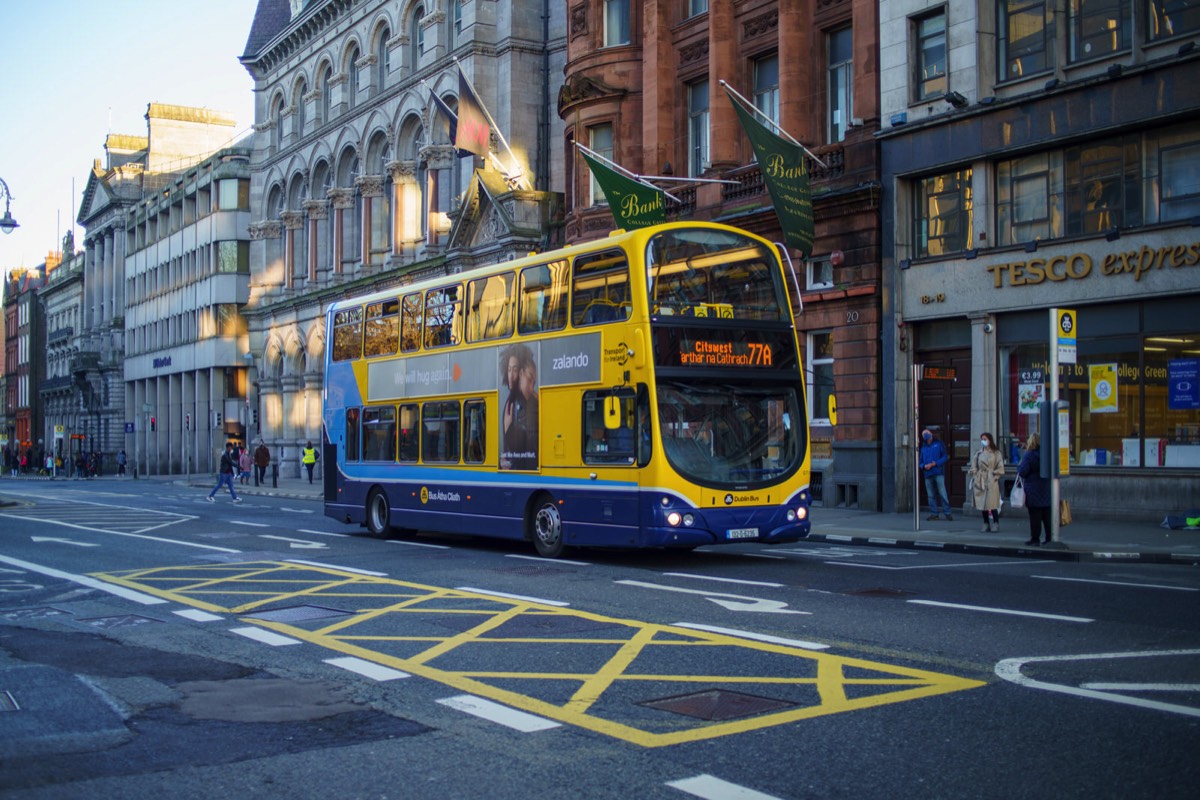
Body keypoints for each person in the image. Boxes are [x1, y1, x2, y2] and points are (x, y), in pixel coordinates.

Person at [1017, 432, 1052, 545]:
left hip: (1033, 488)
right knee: (1047, 516)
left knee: (1035, 516)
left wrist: (1019, 466)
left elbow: (1023, 471)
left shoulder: (1029, 455)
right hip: (1046, 487)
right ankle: (1049, 538)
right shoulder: (1046, 454)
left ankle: (1035, 538)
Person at [970, 432, 1005, 532]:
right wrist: (975, 475)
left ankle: (996, 523)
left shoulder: (996, 453)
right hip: (980, 479)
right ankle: (986, 523)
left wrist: (995, 476)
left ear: (990, 440)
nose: (983, 441)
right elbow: (974, 465)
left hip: (991, 478)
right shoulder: (978, 453)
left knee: (992, 502)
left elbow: (1000, 466)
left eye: (985, 439)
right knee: (982, 503)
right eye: (982, 439)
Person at [919, 428, 953, 520]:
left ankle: (947, 512)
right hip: (927, 473)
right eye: (924, 435)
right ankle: (934, 513)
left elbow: (945, 456)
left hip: (938, 472)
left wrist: (935, 463)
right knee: (930, 495)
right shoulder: (923, 447)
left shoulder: (939, 444)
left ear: (931, 434)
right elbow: (920, 461)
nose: (926, 436)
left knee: (942, 493)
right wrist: (923, 466)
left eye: (927, 434)